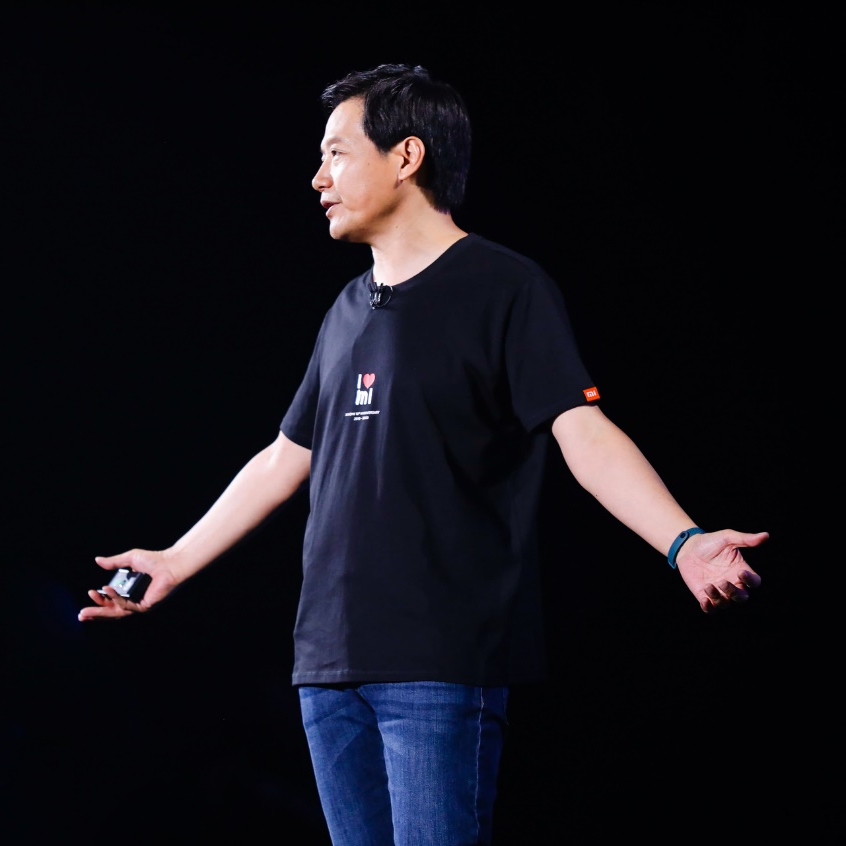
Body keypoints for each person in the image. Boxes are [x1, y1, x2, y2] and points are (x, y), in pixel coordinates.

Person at [77, 62, 768, 846]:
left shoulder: (504, 287)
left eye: (337, 154)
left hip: (438, 660)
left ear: (406, 156)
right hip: (327, 665)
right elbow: (284, 458)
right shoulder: (345, 311)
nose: (318, 179)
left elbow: (583, 433)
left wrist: (683, 541)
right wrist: (174, 561)